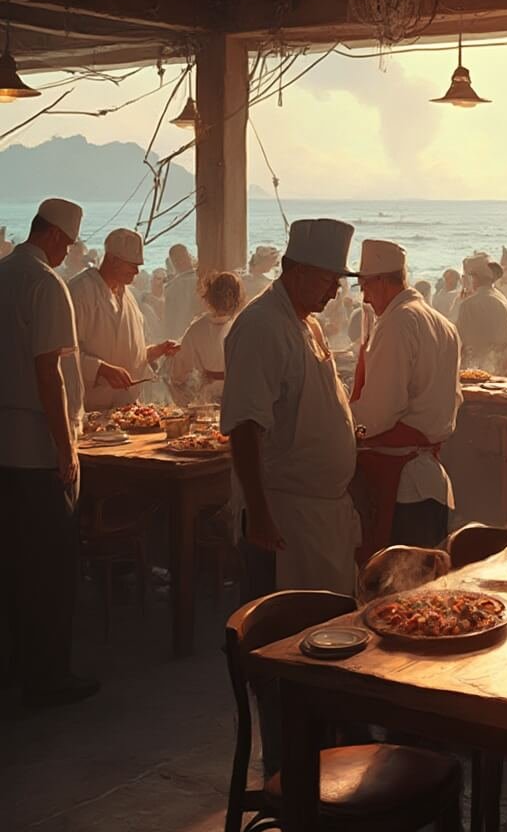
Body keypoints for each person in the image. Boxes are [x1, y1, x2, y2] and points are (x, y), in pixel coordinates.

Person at [221, 218, 361, 597]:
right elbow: (244, 425)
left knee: (327, 619)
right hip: (285, 513)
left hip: (323, 515)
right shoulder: (262, 326)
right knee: (281, 620)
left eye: (338, 282)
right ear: (296, 271)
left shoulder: (308, 324)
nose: (334, 292)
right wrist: (259, 513)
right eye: (327, 280)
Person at [0, 198, 98, 707]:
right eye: (68, 244)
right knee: (50, 568)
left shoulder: (3, 273)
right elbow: (48, 373)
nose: (67, 254)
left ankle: (15, 665)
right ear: (57, 237)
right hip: (37, 447)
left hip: (5, 447)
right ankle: (48, 676)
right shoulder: (46, 283)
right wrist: (66, 447)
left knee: (13, 566)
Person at [350, 239, 462, 555]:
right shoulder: (442, 323)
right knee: (428, 577)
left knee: (396, 579)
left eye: (365, 286)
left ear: (382, 281)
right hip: (431, 481)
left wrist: (343, 423)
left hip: (403, 485)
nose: (364, 296)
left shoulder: (397, 322)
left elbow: (381, 412)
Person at [66, 229, 179, 411]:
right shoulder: (79, 292)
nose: (136, 271)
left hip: (125, 408)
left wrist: (155, 351)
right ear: (112, 259)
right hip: (90, 408)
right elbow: (62, 355)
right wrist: (100, 369)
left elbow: (127, 352)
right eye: (132, 265)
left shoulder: (128, 296)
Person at [169, 271, 243, 406]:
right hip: (238, 395)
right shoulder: (244, 325)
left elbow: (178, 374)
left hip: (209, 397)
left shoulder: (197, 328)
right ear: (238, 298)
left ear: (209, 297)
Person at [454, 253, 507, 374]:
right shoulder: (504, 300)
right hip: (499, 367)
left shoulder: (469, 305)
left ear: (475, 278)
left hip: (474, 368)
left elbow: (460, 339)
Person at [164, 243, 201, 338]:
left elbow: (168, 321)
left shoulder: (170, 288)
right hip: (200, 331)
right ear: (188, 257)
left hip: (179, 335)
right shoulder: (201, 279)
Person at [139, 267, 167, 344]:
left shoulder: (169, 299)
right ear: (151, 281)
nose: (161, 282)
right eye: (157, 278)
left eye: (164, 280)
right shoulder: (143, 297)